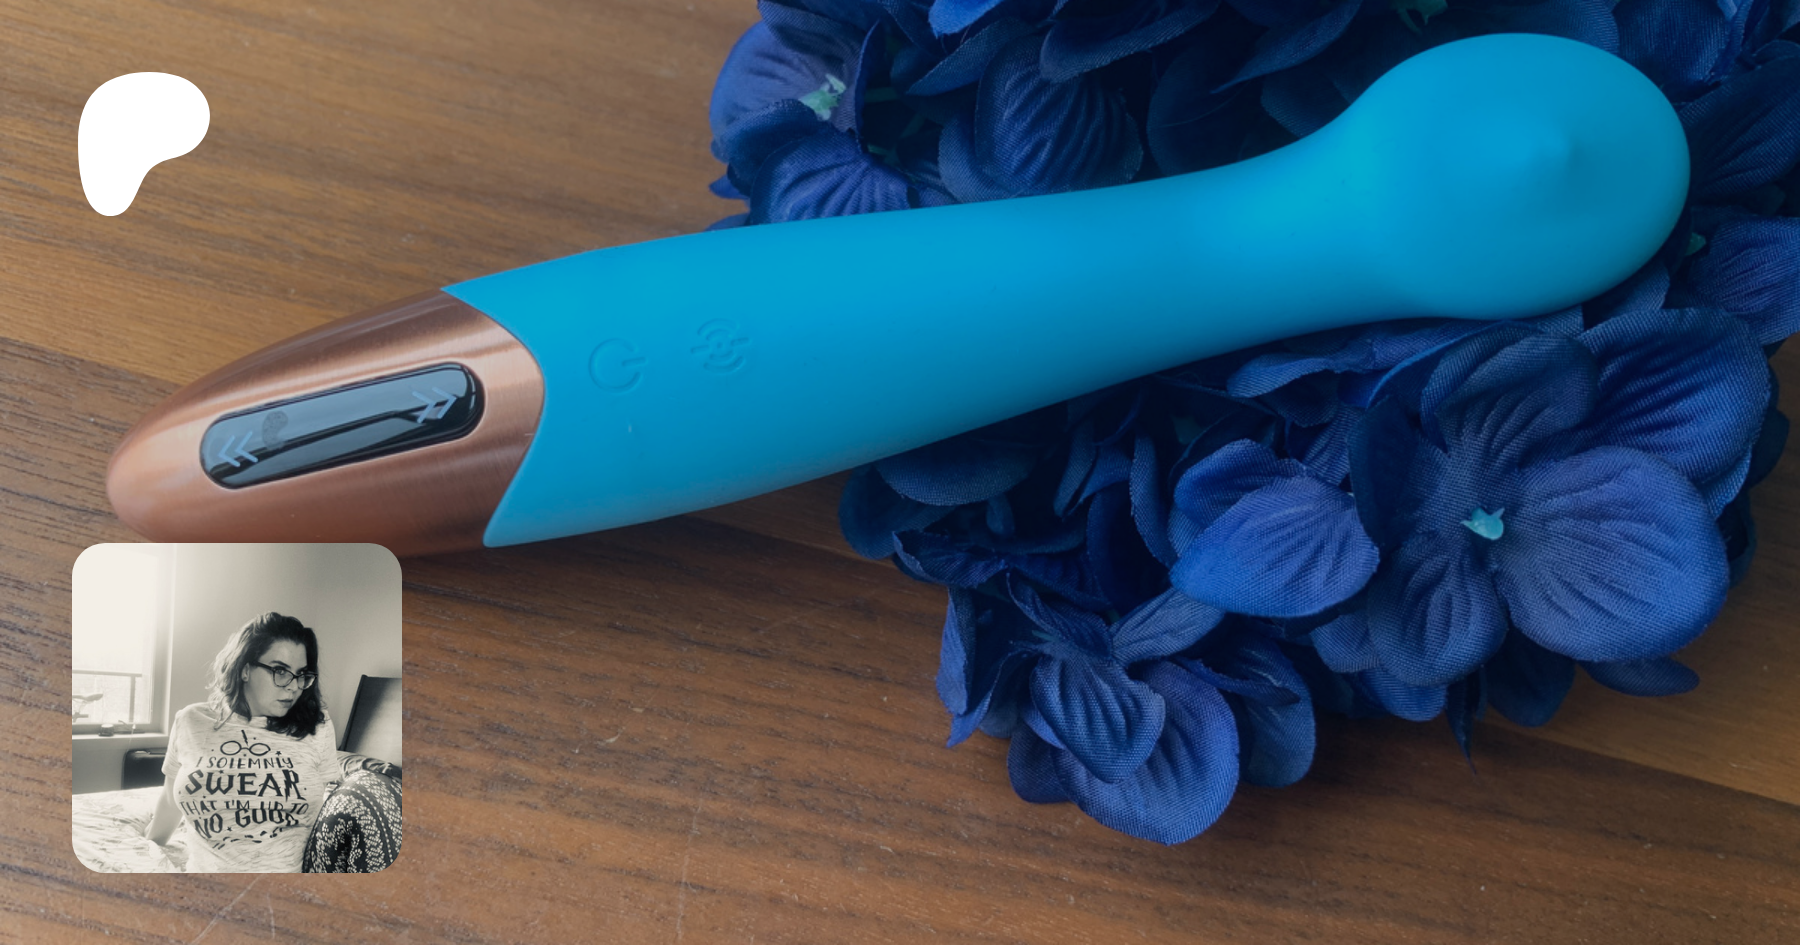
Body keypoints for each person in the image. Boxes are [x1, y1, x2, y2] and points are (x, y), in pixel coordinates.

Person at [145, 612, 340, 872]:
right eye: (280, 671)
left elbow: (319, 814)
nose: (293, 686)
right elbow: (171, 801)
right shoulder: (191, 720)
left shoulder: (316, 726)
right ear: (245, 669)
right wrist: (147, 847)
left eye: (301, 674)